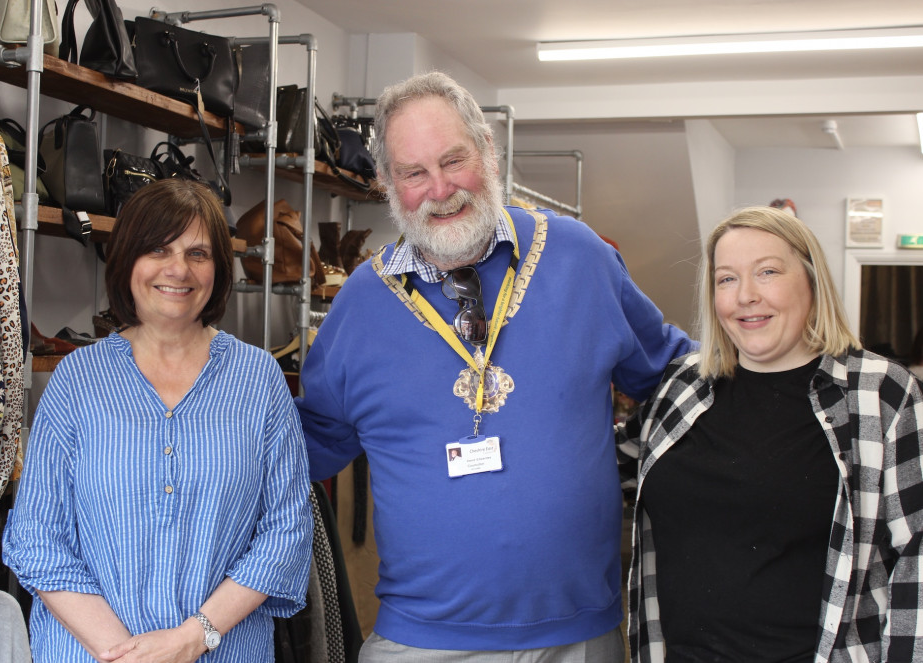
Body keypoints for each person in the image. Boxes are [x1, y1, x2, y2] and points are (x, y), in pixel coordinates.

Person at [296, 70, 694, 660]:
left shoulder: (583, 258)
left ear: (488, 150)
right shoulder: (359, 303)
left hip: (580, 637)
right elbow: (312, 443)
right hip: (422, 642)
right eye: (413, 172)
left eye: (454, 160)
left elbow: (675, 381)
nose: (440, 188)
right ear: (386, 183)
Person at [2, 179, 314, 662]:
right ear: (127, 260)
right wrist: (123, 652)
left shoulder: (259, 379)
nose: (178, 270)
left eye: (198, 253)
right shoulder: (77, 380)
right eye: (158, 250)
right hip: (90, 653)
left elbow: (287, 532)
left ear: (218, 269)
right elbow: (37, 539)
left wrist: (194, 636)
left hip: (222, 649)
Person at [617, 206, 923, 662]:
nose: (745, 296)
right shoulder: (680, 386)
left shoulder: (878, 393)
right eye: (726, 279)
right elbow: (614, 468)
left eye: (767, 272)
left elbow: (915, 557)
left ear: (811, 281)